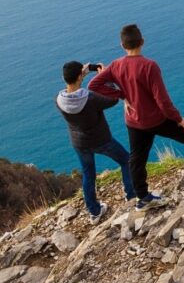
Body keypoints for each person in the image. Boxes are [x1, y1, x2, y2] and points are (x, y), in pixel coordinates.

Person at [89, 24, 184, 211]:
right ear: (142, 41)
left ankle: (143, 198)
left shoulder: (116, 65)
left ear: (122, 45)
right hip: (156, 119)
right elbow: (162, 101)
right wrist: (179, 119)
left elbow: (94, 85)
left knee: (136, 159)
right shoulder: (149, 66)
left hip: (134, 122)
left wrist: (122, 95)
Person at [56, 60, 135, 223]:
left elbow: (73, 92)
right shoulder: (90, 98)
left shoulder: (59, 100)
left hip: (79, 143)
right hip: (101, 140)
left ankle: (94, 211)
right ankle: (131, 195)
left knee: (88, 174)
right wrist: (105, 78)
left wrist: (81, 76)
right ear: (79, 76)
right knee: (126, 160)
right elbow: (113, 99)